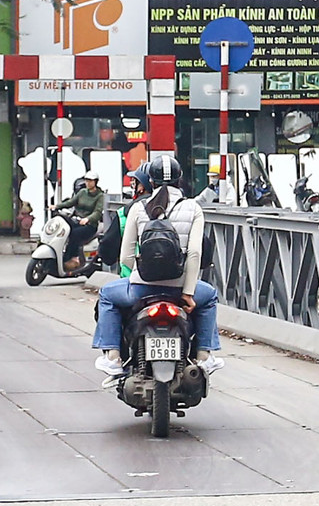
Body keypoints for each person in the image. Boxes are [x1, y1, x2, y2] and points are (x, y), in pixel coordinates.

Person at [92, 155, 222, 379]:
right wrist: (188, 292)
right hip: (179, 289)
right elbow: (194, 253)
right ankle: (203, 356)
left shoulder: (138, 208)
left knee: (107, 295)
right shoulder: (193, 208)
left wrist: (138, 275)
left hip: (141, 289)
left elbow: (125, 257)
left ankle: (113, 357)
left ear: (150, 181)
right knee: (209, 296)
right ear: (180, 180)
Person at [55, 170, 106, 271]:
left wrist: (87, 219)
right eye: (86, 180)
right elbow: (71, 202)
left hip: (89, 225)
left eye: (90, 181)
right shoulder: (82, 192)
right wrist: (57, 206)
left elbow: (97, 212)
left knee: (74, 234)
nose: (88, 183)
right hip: (77, 221)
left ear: (95, 182)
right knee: (63, 226)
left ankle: (71, 257)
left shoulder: (100, 196)